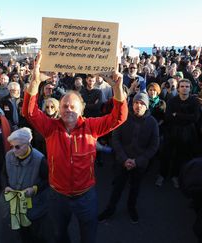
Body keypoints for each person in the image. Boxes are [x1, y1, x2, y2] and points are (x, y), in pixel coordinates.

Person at [22, 51, 128, 243]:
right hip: (57, 196)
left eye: (73, 106)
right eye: (64, 106)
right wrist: (36, 81)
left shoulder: (91, 127)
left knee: (88, 236)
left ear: (81, 109)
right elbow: (29, 112)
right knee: (59, 234)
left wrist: (118, 89)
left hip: (85, 196)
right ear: (59, 109)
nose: (68, 109)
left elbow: (119, 117)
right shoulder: (50, 128)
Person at [98, 92, 159, 223]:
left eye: (142, 103)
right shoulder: (124, 118)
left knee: (135, 187)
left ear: (147, 106)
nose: (138, 106)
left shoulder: (152, 122)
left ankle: (131, 207)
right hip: (121, 161)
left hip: (140, 163)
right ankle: (110, 208)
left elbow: (154, 145)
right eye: (136, 102)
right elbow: (115, 139)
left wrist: (138, 161)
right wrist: (124, 159)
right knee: (117, 187)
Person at [4, 127, 51, 243]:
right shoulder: (8, 155)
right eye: (12, 146)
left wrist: (35, 189)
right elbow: (4, 174)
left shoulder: (40, 159)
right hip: (17, 204)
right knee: (23, 233)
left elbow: (50, 180)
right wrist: (7, 185)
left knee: (38, 233)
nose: (14, 150)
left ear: (27, 144)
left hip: (35, 205)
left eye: (17, 146)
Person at [162, 79, 200, 188]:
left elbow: (195, 118)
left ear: (190, 88)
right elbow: (168, 117)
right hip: (171, 131)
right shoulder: (172, 101)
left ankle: (175, 176)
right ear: (178, 88)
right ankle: (162, 174)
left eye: (187, 86)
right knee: (166, 154)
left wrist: (177, 115)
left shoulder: (194, 102)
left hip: (187, 133)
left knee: (181, 156)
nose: (184, 88)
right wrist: (185, 117)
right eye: (182, 86)